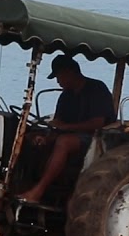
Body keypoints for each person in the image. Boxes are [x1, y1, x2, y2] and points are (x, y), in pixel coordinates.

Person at [18, 55, 117, 204]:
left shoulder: (97, 89)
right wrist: (46, 136)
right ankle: (23, 185)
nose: (58, 81)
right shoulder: (65, 96)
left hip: (97, 139)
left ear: (70, 73)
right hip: (72, 136)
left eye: (59, 76)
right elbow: (58, 123)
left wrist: (66, 127)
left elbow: (98, 123)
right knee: (31, 137)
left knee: (64, 142)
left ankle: (38, 191)